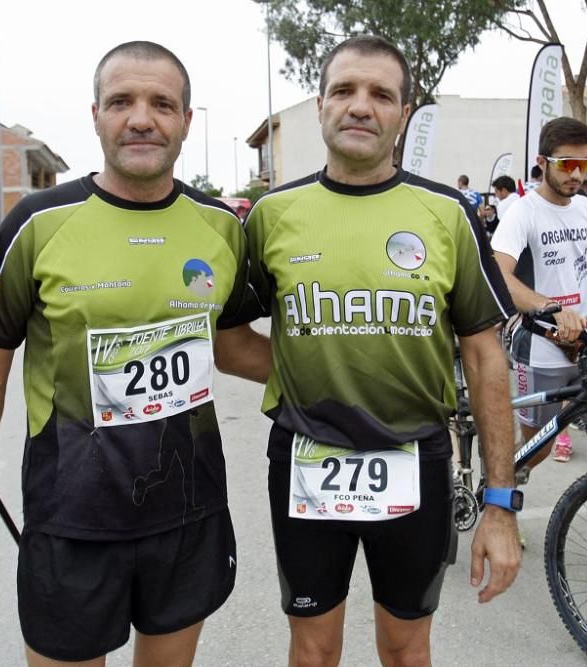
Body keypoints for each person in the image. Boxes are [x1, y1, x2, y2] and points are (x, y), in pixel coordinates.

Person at [0, 41, 248, 666]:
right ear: (96, 114)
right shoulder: (37, 221)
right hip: (72, 520)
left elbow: (236, 343)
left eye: (162, 103)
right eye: (122, 101)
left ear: (187, 120)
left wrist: (342, 375)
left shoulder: (221, 225)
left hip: (188, 510)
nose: (141, 117)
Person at [217, 35, 520, 667]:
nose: (361, 106)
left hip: (416, 460)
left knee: (407, 649)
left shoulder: (448, 213)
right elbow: (226, 340)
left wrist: (499, 503)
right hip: (304, 459)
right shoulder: (272, 215)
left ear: (403, 114)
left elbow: (486, 358)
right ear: (322, 103)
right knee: (312, 648)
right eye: (345, 91)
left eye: (381, 94)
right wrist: (308, 370)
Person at [491, 118, 587, 483]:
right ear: (541, 162)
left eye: (583, 165)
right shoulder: (523, 212)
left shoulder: (585, 207)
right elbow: (497, 275)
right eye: (566, 164)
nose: (576, 174)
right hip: (542, 345)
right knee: (537, 448)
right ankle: (501, 506)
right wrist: (551, 308)